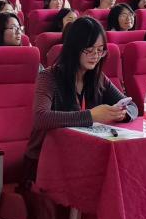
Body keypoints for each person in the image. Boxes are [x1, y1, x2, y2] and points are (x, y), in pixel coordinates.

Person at [23, 17, 136, 181]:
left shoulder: (97, 78)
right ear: (74, 48)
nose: (95, 56)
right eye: (89, 50)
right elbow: (40, 117)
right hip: (45, 160)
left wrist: (121, 114)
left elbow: (131, 105)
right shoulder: (49, 76)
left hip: (83, 155)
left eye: (100, 50)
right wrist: (91, 116)